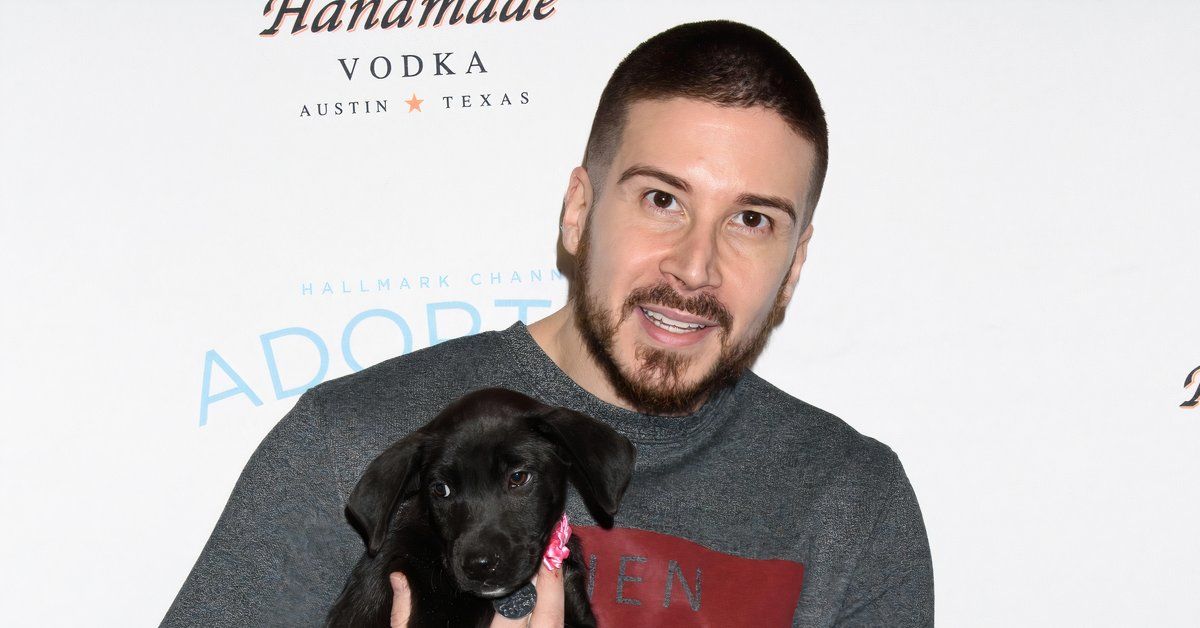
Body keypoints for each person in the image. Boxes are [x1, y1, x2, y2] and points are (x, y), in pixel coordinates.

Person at [162, 20, 934, 628]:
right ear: (578, 212)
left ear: (794, 263)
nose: (695, 266)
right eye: (661, 200)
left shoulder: (852, 504)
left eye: (753, 219)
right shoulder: (349, 442)